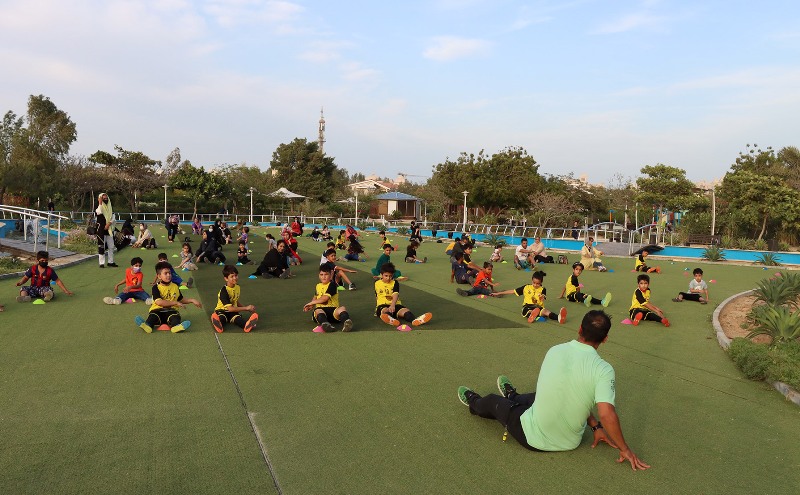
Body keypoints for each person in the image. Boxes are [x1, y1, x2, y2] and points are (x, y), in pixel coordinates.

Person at [456, 310, 651, 471]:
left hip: (532, 437)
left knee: (491, 400)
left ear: (580, 329)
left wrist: (625, 448)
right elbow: (587, 401)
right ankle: (513, 396)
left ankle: (473, 402)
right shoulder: (604, 369)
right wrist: (596, 427)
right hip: (570, 441)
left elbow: (607, 415)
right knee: (546, 395)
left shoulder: (555, 350)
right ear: (605, 339)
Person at [134, 261, 201, 333]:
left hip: (171, 311)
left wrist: (192, 300)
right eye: (165, 273)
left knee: (175, 317)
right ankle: (147, 325)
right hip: (157, 310)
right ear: (159, 276)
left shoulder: (175, 286)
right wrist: (175, 302)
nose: (168, 275)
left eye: (169, 273)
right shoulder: (156, 287)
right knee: (153, 316)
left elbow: (180, 299)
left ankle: (176, 327)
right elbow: (159, 302)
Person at [492, 271, 567, 324]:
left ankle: (559, 318)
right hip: (527, 306)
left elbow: (543, 297)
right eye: (534, 283)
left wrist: (541, 298)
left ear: (541, 283)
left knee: (546, 311)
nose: (535, 285)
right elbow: (513, 291)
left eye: (538, 283)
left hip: (538, 307)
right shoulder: (526, 287)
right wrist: (499, 293)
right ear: (532, 280)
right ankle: (532, 315)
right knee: (528, 311)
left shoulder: (543, 289)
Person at [375, 262, 432, 327]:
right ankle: (390, 319)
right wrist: (377, 308)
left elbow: (395, 294)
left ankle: (415, 320)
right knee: (385, 311)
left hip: (395, 305)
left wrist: (393, 305)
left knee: (407, 313)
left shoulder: (395, 283)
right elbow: (377, 296)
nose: (388, 278)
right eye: (386, 276)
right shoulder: (376, 283)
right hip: (382, 305)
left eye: (390, 276)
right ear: (381, 275)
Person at [303, 264, 354, 332]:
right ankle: (325, 324)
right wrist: (311, 305)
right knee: (318, 311)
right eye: (321, 274)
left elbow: (325, 298)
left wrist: (311, 303)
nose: (323, 277)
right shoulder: (318, 286)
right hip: (321, 311)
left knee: (342, 308)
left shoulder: (332, 285)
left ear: (331, 274)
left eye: (326, 274)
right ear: (319, 275)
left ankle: (347, 323)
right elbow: (315, 297)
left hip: (333, 311)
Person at [210, 265, 259, 333]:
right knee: (222, 318)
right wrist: (246, 308)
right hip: (222, 310)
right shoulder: (224, 291)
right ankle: (217, 322)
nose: (235, 278)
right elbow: (230, 308)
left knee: (238, 319)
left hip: (233, 312)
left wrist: (247, 308)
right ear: (226, 278)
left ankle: (247, 325)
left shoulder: (237, 287)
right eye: (232, 276)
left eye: (236, 275)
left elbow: (235, 300)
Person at [95, 192, 118, 267]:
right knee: (101, 246)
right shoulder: (99, 207)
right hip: (101, 229)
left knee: (111, 246)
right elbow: (99, 212)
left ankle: (110, 262)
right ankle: (101, 263)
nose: (105, 199)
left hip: (109, 229)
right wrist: (100, 203)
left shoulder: (110, 207)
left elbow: (113, 217)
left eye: (106, 198)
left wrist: (109, 224)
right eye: (103, 198)